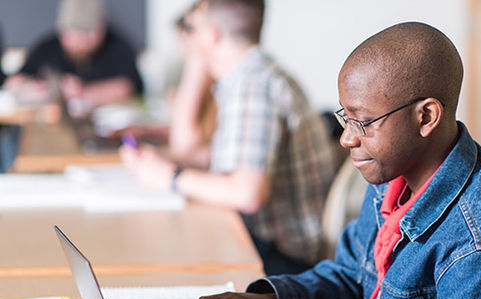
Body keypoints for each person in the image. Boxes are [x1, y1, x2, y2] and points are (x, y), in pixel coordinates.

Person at [180, 22, 481, 299]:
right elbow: (353, 279)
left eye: (362, 121)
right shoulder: (393, 178)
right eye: (346, 117)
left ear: (426, 117)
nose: (345, 139)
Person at [121, 0, 336, 275]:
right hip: (263, 242)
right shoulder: (250, 76)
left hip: (280, 260)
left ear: (211, 35)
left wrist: (170, 177)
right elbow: (233, 160)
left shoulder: (252, 85)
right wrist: (164, 162)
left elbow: (247, 193)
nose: (186, 36)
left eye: (191, 27)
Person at [4, 0, 143, 117]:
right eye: (72, 36)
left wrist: (85, 92)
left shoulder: (118, 47)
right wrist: (41, 88)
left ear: (101, 31)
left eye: (86, 37)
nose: (78, 44)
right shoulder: (48, 47)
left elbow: (129, 87)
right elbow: (13, 82)